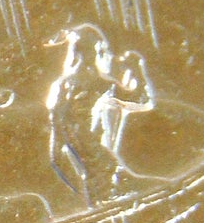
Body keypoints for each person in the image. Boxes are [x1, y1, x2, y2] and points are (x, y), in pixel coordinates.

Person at [46, 24, 155, 202]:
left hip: (86, 167)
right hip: (103, 164)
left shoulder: (61, 86)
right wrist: (137, 67)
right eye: (103, 50)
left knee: (100, 199)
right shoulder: (102, 84)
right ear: (96, 52)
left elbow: (56, 151)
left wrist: (76, 189)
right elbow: (143, 101)